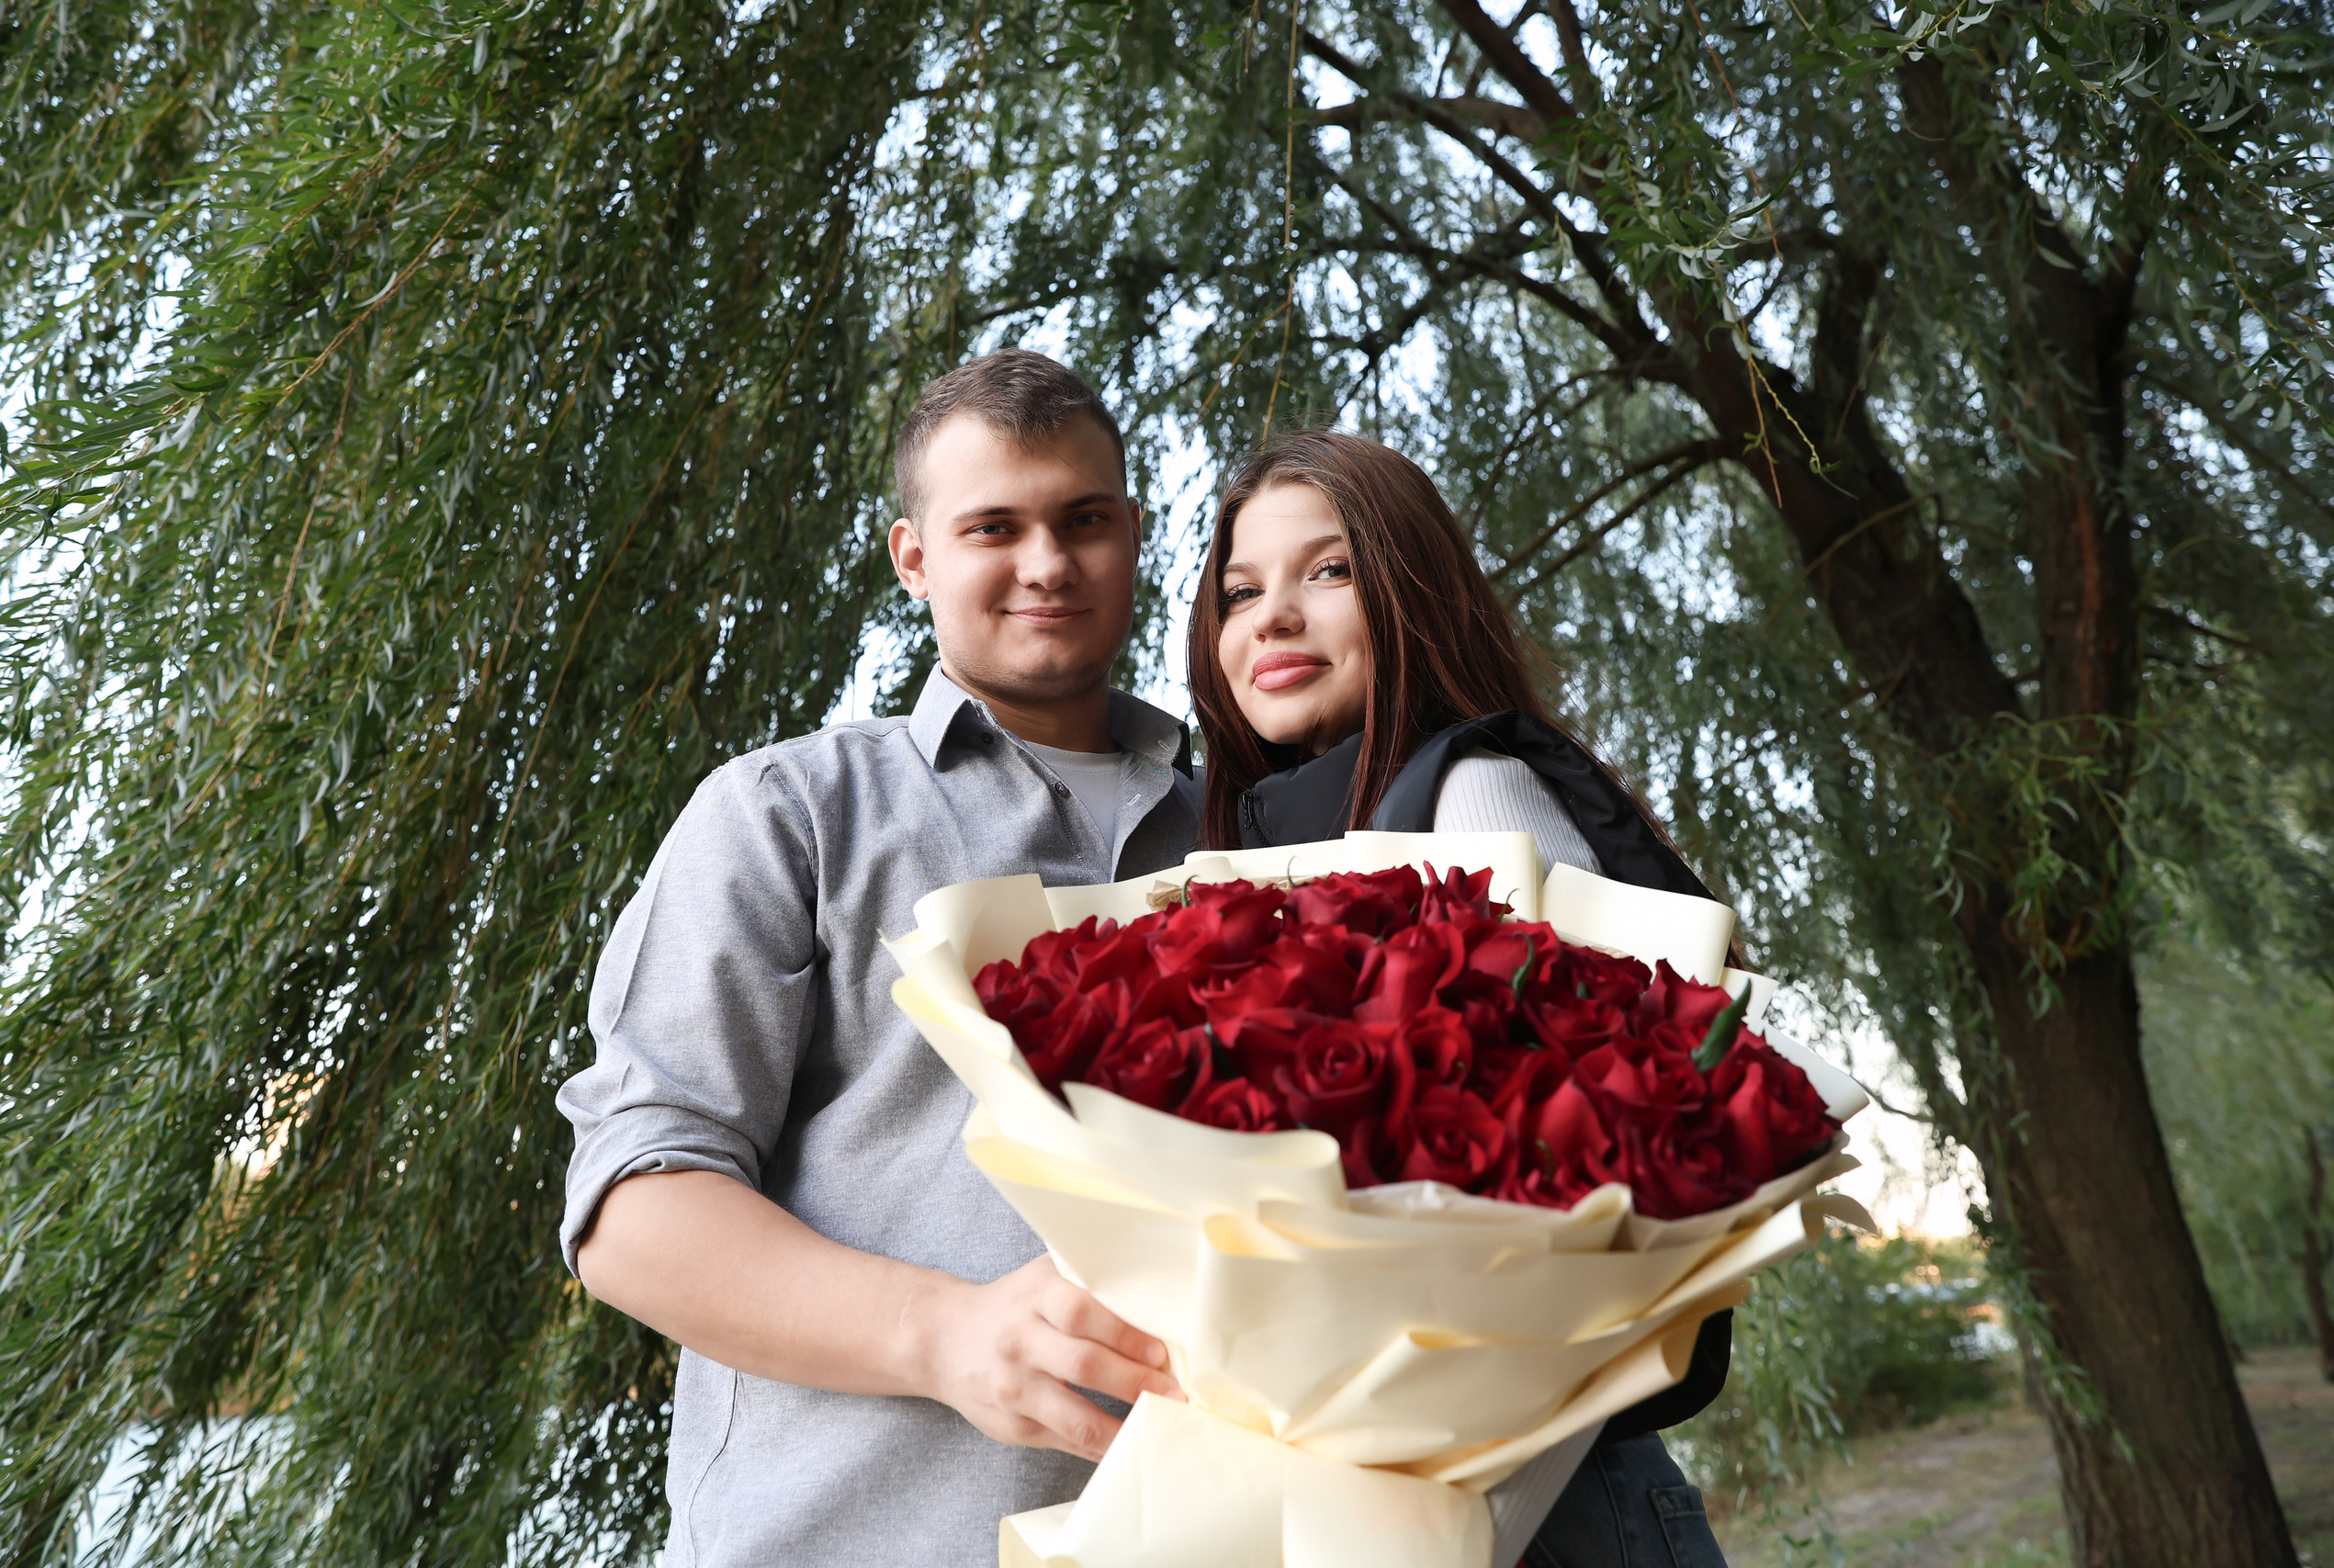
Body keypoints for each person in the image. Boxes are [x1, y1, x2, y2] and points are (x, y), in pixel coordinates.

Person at [558, 349, 1198, 1567]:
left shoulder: (1252, 841)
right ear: (914, 559)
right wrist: (945, 1334)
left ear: (1133, 533)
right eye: (993, 527)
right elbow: (632, 1211)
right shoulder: (790, 812)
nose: (1046, 562)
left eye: (1083, 520)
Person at [1190, 429, 1734, 1568]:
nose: (1272, 617)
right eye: (1240, 592)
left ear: (1412, 590)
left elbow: (1583, 1169)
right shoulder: (1273, 847)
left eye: (1327, 571)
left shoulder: (1473, 791)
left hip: (1538, 1502)